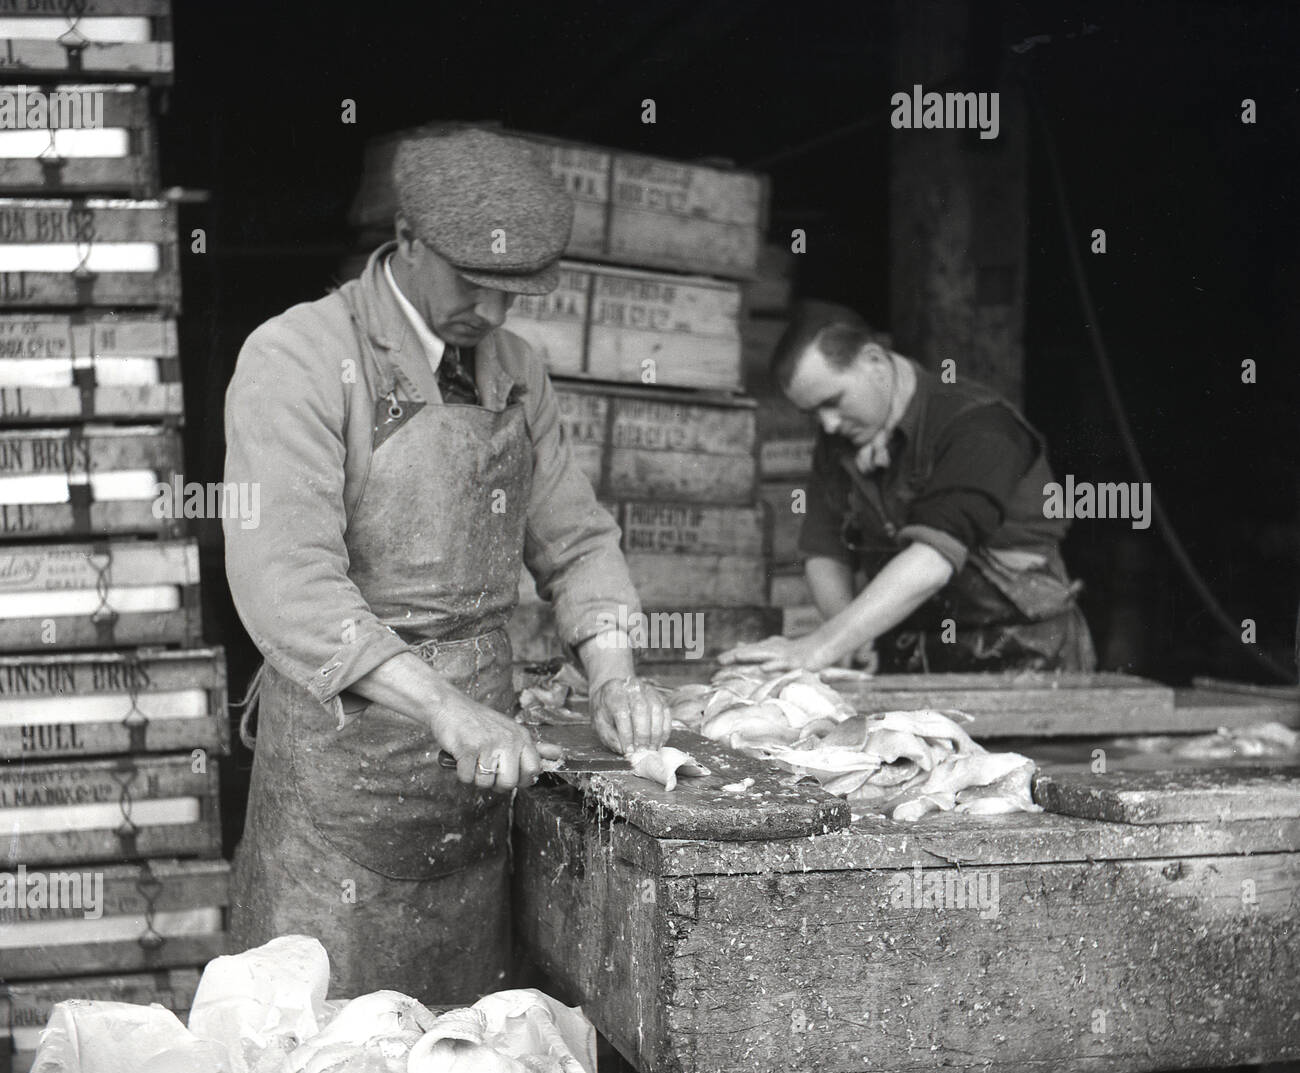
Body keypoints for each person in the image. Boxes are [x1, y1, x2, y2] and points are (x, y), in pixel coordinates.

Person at [223, 127, 670, 1003]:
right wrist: (445, 709)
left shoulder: (513, 368)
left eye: (516, 294)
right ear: (409, 239)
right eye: (475, 286)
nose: (495, 315)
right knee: (330, 1068)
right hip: (342, 781)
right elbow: (288, 586)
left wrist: (614, 673)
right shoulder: (299, 355)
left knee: (466, 1069)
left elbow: (576, 540)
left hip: (475, 781)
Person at [721, 304, 1096, 674]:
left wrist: (822, 645)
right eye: (814, 414)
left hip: (1026, 654)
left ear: (874, 361)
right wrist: (852, 637)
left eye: (832, 402)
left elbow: (935, 557)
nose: (829, 425)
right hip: (914, 655)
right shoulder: (838, 441)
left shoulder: (978, 425)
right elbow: (825, 550)